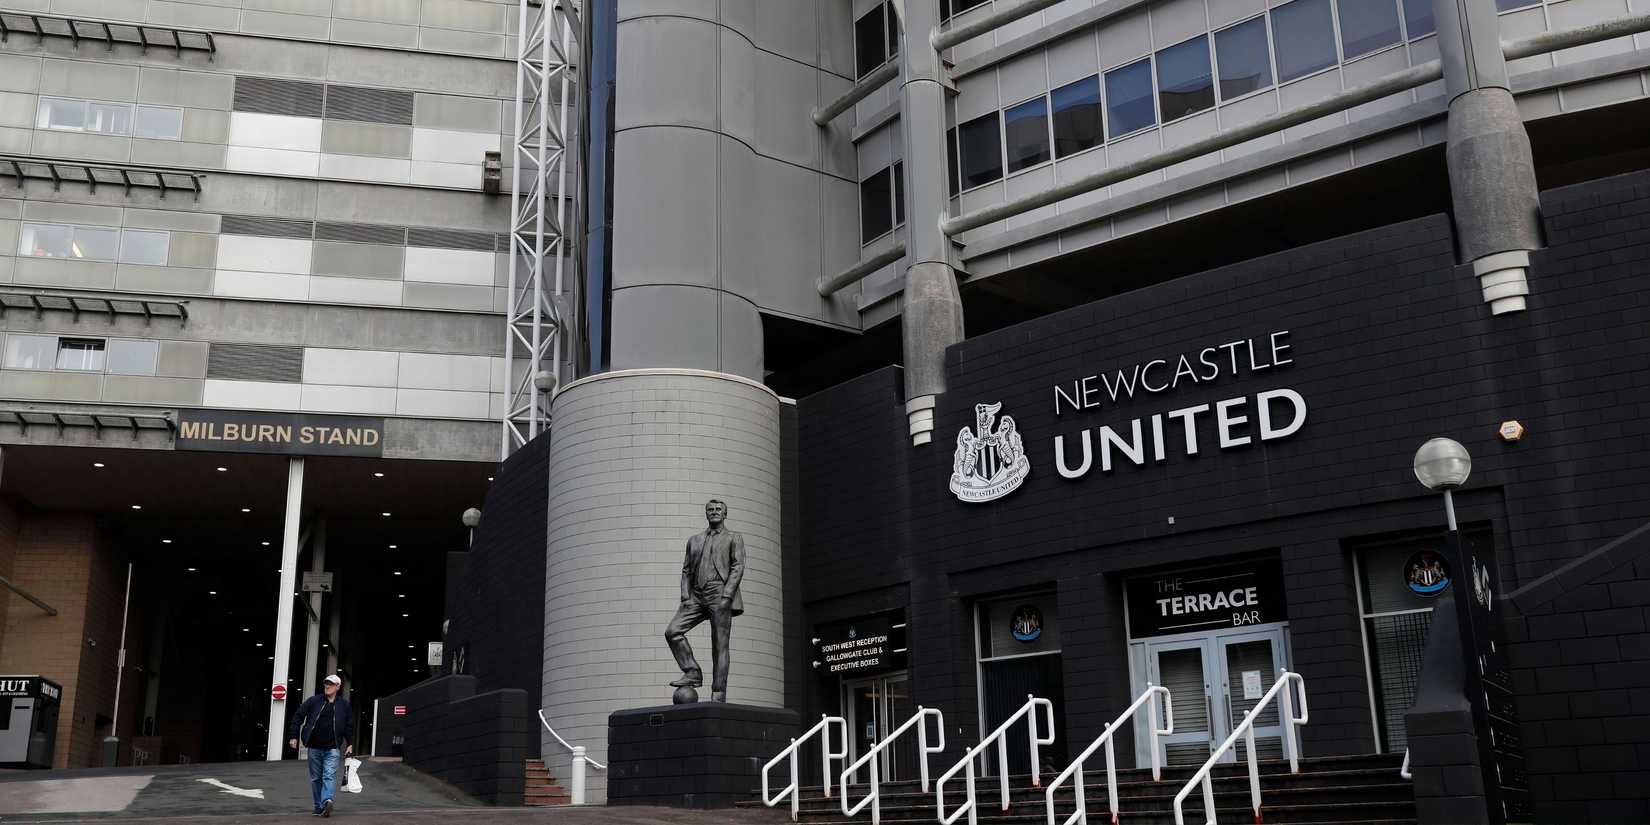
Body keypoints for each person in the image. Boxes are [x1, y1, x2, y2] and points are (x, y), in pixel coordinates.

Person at [663, 499, 746, 702]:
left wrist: (727, 594)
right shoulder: (695, 540)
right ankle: (692, 671)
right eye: (710, 509)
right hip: (696, 595)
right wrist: (685, 596)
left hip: (719, 592)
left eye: (718, 509)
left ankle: (718, 693)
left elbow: (738, 566)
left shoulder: (734, 538)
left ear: (725, 514)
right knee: (672, 631)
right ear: (706, 513)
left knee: (719, 645)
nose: (714, 512)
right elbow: (686, 570)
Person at [288, 674, 353, 817]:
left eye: (331, 684)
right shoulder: (314, 701)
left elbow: (349, 725)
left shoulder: (344, 705)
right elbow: (298, 715)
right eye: (326, 683)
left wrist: (350, 743)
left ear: (338, 687)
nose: (327, 686)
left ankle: (327, 801)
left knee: (329, 775)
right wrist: (293, 735)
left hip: (332, 748)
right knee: (316, 778)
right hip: (314, 747)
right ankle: (319, 807)